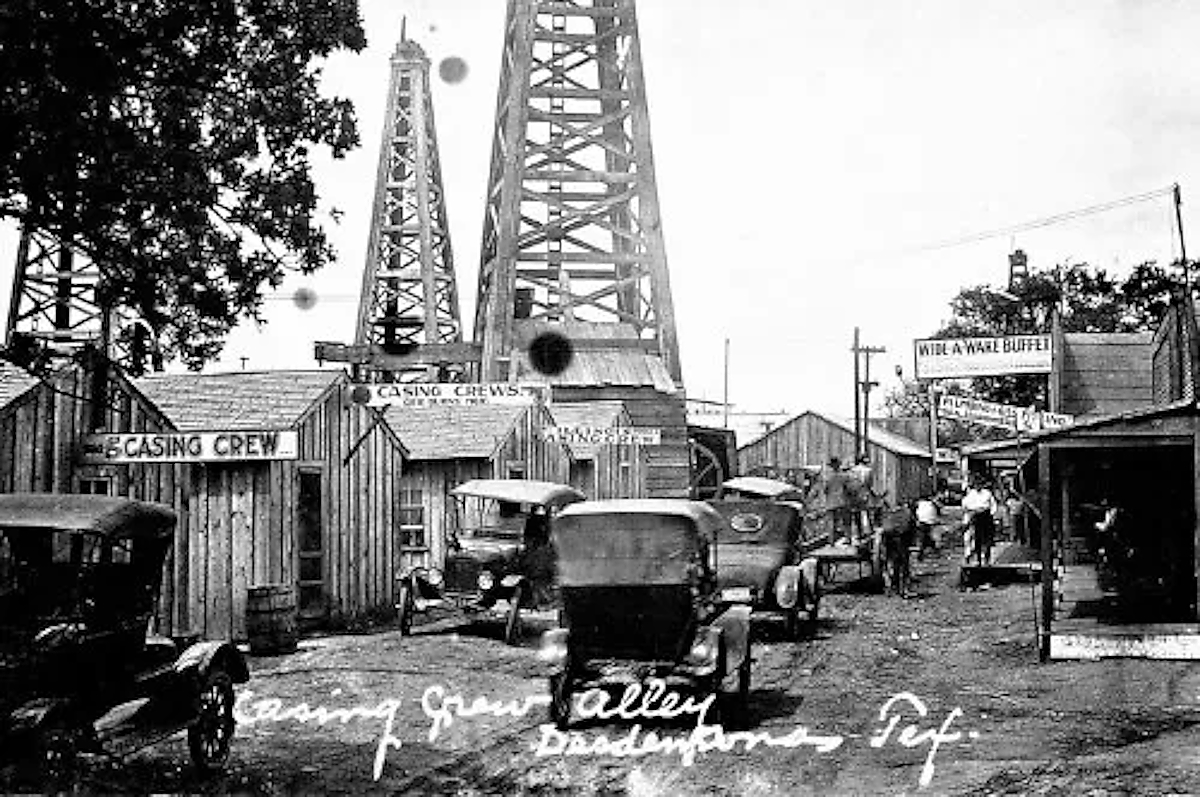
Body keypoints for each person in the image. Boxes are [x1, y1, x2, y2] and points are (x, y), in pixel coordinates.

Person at [961, 479, 999, 566]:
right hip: (976, 516)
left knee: (988, 538)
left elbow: (993, 505)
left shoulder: (987, 493)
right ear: (974, 485)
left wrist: (992, 514)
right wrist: (972, 512)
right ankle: (978, 560)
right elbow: (965, 505)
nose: (978, 486)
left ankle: (987, 559)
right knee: (978, 539)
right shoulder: (971, 494)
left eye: (980, 484)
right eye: (976, 485)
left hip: (986, 516)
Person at [821, 456, 855, 543]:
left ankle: (831, 541)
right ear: (839, 465)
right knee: (846, 521)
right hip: (843, 501)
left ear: (831, 466)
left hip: (831, 503)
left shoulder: (828, 477)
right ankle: (848, 539)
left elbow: (825, 490)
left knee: (832, 522)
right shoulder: (845, 476)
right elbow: (850, 489)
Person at [914, 494, 940, 560]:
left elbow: (915, 513)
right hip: (930, 522)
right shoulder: (931, 503)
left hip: (922, 522)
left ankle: (922, 552)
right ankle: (934, 549)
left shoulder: (919, 503)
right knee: (927, 536)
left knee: (923, 537)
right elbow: (937, 511)